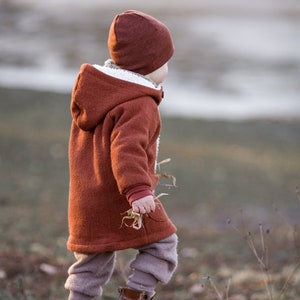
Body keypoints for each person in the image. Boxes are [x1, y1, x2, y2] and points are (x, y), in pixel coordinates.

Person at [65, 10, 178, 300]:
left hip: (87, 200)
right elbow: (126, 149)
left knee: (91, 264)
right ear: (146, 65)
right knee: (163, 244)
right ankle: (136, 295)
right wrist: (138, 189)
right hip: (125, 199)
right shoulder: (138, 103)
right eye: (164, 62)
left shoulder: (97, 94)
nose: (166, 69)